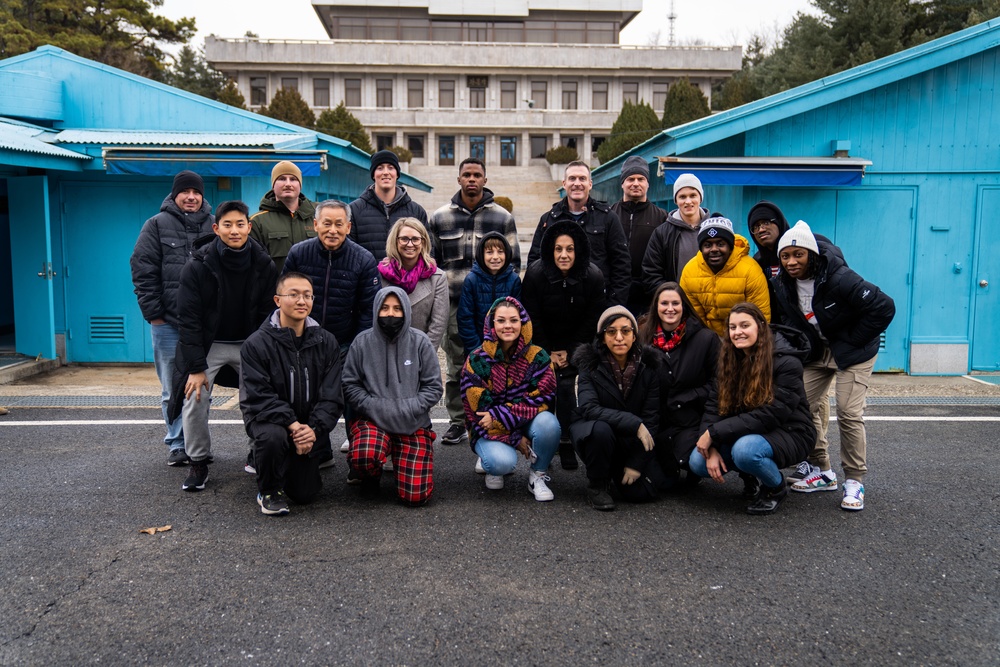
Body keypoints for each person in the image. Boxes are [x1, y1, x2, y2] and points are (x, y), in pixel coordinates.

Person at [771, 220, 895, 511]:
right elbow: (788, 319)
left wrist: (854, 339)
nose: (791, 261)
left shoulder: (839, 277)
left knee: (849, 412)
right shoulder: (781, 284)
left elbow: (884, 307)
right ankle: (823, 471)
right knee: (800, 404)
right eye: (785, 256)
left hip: (854, 351)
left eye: (798, 254)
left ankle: (854, 480)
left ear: (811, 255)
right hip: (819, 351)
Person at [168, 200, 278, 492]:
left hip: (250, 343)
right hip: (210, 343)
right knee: (195, 396)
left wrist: (266, 354)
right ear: (216, 228)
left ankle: (258, 451)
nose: (234, 230)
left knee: (260, 396)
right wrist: (195, 367)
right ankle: (198, 461)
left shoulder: (263, 263)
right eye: (227, 224)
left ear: (249, 227)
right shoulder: (198, 265)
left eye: (240, 224)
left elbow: (270, 314)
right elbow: (188, 319)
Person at [690, 303, 816, 515]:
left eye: (744, 325)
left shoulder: (786, 362)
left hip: (791, 431)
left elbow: (773, 413)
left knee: (745, 451)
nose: (737, 332)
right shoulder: (729, 358)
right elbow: (714, 406)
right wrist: (709, 445)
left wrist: (714, 433)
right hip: (747, 430)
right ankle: (748, 473)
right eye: (732, 327)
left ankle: (775, 488)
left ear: (760, 326)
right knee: (698, 461)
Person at [428, 157, 520, 447]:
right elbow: (432, 263)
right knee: (459, 365)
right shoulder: (440, 217)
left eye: (476, 175)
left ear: (484, 179)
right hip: (455, 305)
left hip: (496, 307)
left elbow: (514, 262)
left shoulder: (502, 218)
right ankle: (458, 421)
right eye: (466, 174)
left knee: (497, 365)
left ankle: (491, 418)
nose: (471, 179)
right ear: (458, 179)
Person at [239, 272, 344, 516]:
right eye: (293, 295)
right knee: (273, 437)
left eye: (307, 296)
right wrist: (293, 425)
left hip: (307, 426)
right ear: (277, 300)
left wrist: (313, 429)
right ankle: (268, 490)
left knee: (305, 494)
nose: (301, 301)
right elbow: (258, 397)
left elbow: (332, 396)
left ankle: (283, 462)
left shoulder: (326, 341)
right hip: (270, 422)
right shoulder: (256, 344)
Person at [284, 199, 380, 459]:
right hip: (305, 342)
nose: (332, 230)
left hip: (345, 342)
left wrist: (357, 349)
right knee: (309, 397)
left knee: (351, 399)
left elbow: (367, 311)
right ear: (315, 224)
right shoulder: (298, 254)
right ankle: (319, 451)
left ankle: (359, 456)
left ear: (349, 227)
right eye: (327, 223)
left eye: (339, 224)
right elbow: (286, 299)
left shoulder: (363, 258)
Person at [130, 170, 214, 467]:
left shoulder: (214, 225)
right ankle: (177, 443)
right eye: (185, 192)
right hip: (168, 323)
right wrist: (154, 315)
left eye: (196, 192)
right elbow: (143, 269)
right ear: (175, 194)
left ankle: (196, 444)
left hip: (205, 325)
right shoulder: (156, 225)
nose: (191, 197)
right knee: (172, 386)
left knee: (200, 386)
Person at [342, 287, 443, 507]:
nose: (391, 314)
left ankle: (403, 462)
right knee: (364, 455)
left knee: (416, 498)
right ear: (376, 309)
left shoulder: (421, 342)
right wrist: (374, 406)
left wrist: (408, 408)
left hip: (412, 422)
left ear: (406, 311)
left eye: (397, 308)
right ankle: (371, 474)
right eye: (385, 308)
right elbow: (350, 385)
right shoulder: (361, 342)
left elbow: (433, 388)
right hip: (373, 421)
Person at [521, 220, 605, 470]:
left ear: (578, 250)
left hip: (576, 344)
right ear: (551, 250)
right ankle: (546, 442)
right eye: (558, 249)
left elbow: (592, 319)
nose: (564, 255)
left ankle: (566, 441)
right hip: (543, 343)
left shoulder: (592, 276)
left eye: (569, 249)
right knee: (545, 386)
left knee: (567, 386)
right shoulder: (536, 273)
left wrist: (571, 351)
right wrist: (547, 351)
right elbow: (531, 316)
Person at [461, 297, 560, 502]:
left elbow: (542, 400)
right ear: (492, 324)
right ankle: (490, 460)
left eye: (514, 320)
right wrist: (515, 439)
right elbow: (480, 414)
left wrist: (501, 416)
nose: (508, 326)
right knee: (501, 463)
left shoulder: (538, 357)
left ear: (523, 323)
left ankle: (537, 475)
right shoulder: (476, 360)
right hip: (488, 428)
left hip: (513, 421)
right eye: (501, 320)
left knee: (549, 423)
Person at [571, 306, 668, 511]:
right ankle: (597, 484)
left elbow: (651, 418)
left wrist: (636, 463)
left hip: (629, 439)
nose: (619, 337)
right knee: (601, 430)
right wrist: (634, 423)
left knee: (642, 493)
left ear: (634, 335)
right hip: (595, 433)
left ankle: (617, 469)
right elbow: (589, 409)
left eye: (625, 331)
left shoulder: (649, 367)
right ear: (602, 336)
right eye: (611, 331)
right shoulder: (589, 364)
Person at [638, 282, 720, 485]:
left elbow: (718, 383)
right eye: (664, 303)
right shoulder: (642, 338)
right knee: (660, 483)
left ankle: (690, 467)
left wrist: (689, 397)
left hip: (691, 418)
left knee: (693, 463)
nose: (670, 308)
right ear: (656, 306)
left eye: (675, 303)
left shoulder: (706, 338)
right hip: (657, 421)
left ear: (684, 306)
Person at [528, 161, 630, 307]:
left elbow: (622, 266)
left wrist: (612, 307)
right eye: (572, 178)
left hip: (596, 305)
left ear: (590, 184)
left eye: (582, 179)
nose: (577, 183)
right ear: (564, 183)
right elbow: (534, 263)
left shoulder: (608, 218)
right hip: (556, 307)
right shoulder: (549, 219)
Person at [679, 216, 771, 336]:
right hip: (709, 338)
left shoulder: (750, 270)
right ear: (701, 248)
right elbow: (693, 317)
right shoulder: (690, 271)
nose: (714, 249)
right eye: (707, 245)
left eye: (721, 244)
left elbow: (761, 317)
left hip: (743, 336)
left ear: (730, 247)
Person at [377, 217, 448, 349]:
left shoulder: (437, 278)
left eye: (415, 239)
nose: (410, 244)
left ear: (423, 242)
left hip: (419, 350)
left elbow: (438, 325)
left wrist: (425, 355)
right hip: (384, 348)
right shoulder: (380, 275)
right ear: (395, 241)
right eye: (404, 239)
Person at [610, 156, 668, 314]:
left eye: (641, 179)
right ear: (622, 183)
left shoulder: (662, 217)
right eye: (630, 179)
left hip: (648, 298)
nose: (636, 183)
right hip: (614, 296)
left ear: (648, 183)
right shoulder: (609, 215)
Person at [349, 150, 428, 261]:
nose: (385, 172)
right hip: (367, 277)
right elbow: (349, 251)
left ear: (397, 174)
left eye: (391, 167)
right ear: (373, 174)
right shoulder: (354, 210)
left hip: (407, 278)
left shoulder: (416, 211)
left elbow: (428, 250)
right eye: (380, 168)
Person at [457, 231, 521, 356]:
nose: (495, 257)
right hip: (478, 346)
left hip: (506, 347)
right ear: (481, 255)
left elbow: (519, 315)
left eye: (500, 252)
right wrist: (476, 350)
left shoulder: (514, 280)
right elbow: (465, 318)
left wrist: (509, 347)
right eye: (489, 252)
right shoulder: (471, 280)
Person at [642, 173, 711, 288]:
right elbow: (651, 273)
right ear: (676, 200)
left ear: (700, 198)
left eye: (693, 195)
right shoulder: (662, 233)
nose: (688, 201)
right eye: (682, 197)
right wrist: (671, 297)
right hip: (677, 304)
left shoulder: (715, 229)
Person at [250, 161, 316, 273]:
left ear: (300, 185)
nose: (288, 184)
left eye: (293, 179)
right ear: (273, 185)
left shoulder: (317, 217)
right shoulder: (257, 222)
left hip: (312, 289)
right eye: (282, 179)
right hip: (276, 289)